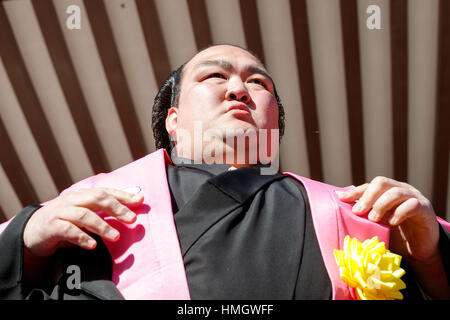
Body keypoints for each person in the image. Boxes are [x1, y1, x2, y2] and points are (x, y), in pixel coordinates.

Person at [0, 44, 449, 300]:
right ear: (172, 120)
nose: (239, 88)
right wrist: (24, 240)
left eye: (259, 83)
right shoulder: (98, 198)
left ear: (273, 122)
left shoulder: (354, 211)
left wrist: (431, 256)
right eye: (214, 76)